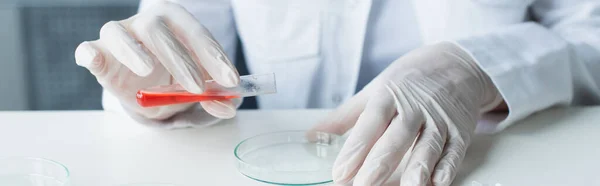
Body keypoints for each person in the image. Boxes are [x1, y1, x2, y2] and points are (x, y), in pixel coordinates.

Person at [74, 0, 600, 185]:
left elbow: (591, 40)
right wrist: (154, 86)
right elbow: (178, 42)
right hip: (298, 169)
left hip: (487, 164)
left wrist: (474, 69)